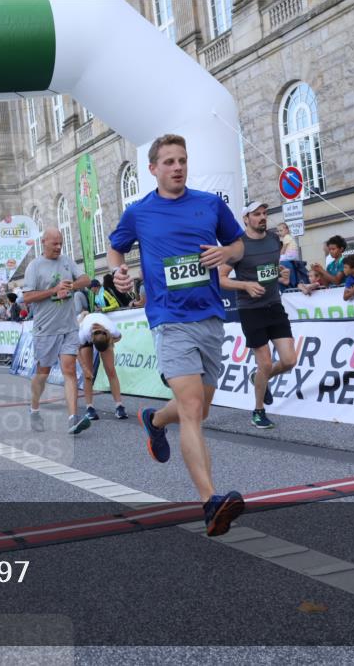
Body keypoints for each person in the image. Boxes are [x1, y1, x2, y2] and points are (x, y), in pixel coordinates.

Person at [108, 133, 246, 537]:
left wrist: (227, 254)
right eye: (168, 161)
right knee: (191, 408)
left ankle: (154, 419)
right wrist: (118, 272)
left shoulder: (209, 204)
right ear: (153, 169)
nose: (177, 167)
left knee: (199, 408)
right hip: (168, 318)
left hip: (209, 316)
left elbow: (237, 244)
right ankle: (211, 502)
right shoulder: (139, 212)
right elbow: (116, 249)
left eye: (182, 160)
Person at [218, 201, 296, 430]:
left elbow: (271, 270)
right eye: (257, 214)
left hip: (274, 306)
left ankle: (259, 378)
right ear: (246, 219)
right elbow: (221, 278)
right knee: (264, 363)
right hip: (251, 310)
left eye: (264, 213)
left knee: (290, 360)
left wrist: (281, 274)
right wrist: (245, 286)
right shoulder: (238, 246)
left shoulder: (274, 240)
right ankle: (258, 410)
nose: (262, 217)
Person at [23, 227, 92, 435]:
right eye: (54, 243)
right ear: (43, 242)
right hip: (46, 329)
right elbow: (26, 297)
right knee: (42, 373)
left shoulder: (66, 261)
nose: (58, 247)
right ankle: (34, 408)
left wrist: (71, 286)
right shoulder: (34, 266)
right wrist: (54, 290)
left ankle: (73, 418)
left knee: (69, 370)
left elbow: (86, 279)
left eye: (60, 243)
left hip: (68, 327)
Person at [76, 311, 127, 421]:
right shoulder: (83, 334)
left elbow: (120, 337)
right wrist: (85, 369)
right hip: (87, 334)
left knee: (111, 370)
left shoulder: (111, 330)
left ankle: (119, 405)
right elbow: (75, 349)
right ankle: (89, 407)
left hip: (104, 334)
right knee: (88, 373)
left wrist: (111, 341)